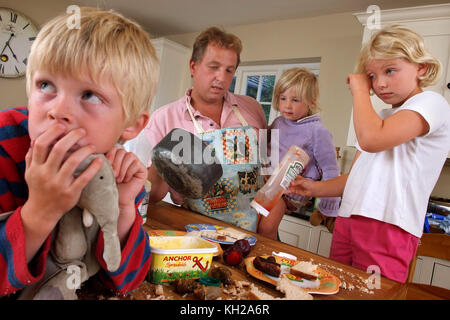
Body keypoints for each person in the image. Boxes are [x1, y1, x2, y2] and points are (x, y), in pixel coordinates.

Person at [0, 7, 159, 298]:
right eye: (46, 85)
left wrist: (123, 210)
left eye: (89, 95)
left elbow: (129, 281)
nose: (57, 110)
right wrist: (39, 214)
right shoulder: (3, 143)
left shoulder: (114, 173)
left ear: (131, 125)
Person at [288, 25, 450, 283]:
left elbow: (372, 139)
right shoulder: (381, 118)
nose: (380, 83)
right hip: (348, 220)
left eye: (390, 70)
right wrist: (314, 188)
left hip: (388, 226)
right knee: (335, 289)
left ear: (422, 68)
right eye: (372, 75)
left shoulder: (432, 103)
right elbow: (357, 177)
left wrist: (361, 90)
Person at [145, 27, 270, 234]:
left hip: (255, 229)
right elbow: (155, 195)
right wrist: (162, 159)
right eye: (213, 67)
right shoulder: (164, 118)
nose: (221, 77)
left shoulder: (253, 108)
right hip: (196, 232)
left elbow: (269, 162)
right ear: (193, 67)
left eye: (229, 70)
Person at [258, 68, 341, 240]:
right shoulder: (279, 122)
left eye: (295, 100)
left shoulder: (317, 131)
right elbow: (265, 149)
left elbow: (331, 171)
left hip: (292, 191)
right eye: (283, 98)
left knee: (266, 229)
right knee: (254, 227)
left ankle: (266, 261)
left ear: (312, 101)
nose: (287, 105)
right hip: (269, 185)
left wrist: (328, 208)